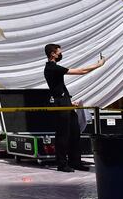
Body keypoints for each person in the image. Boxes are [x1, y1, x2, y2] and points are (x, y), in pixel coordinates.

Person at [44, 44, 106, 172]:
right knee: (62, 134)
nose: (60, 54)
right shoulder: (52, 68)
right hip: (60, 103)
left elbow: (58, 87)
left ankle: (75, 161)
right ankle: (62, 164)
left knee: (74, 131)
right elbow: (81, 71)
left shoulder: (54, 68)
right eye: (59, 52)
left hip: (65, 101)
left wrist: (69, 103)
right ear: (52, 54)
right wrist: (99, 64)